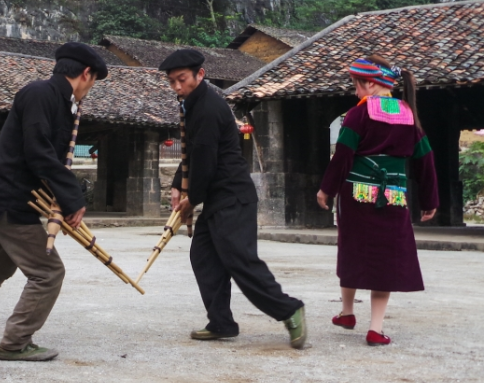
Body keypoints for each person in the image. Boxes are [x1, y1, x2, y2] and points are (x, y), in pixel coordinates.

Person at [0, 42, 107, 362]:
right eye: (93, 81)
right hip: (12, 199)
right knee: (48, 272)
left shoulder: (61, 102)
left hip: (6, 196)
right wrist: (71, 198)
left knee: (2, 260)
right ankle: (15, 343)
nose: (90, 88)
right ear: (86, 73)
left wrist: (62, 197)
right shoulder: (39, 94)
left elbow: (46, 156)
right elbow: (38, 152)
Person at [161, 49, 307, 349]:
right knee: (203, 256)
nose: (177, 87)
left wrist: (191, 200)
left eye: (182, 80)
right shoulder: (193, 105)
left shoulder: (209, 107)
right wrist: (178, 185)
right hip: (217, 198)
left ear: (200, 75)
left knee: (239, 260)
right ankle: (222, 323)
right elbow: (191, 152)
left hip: (233, 196)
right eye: (173, 82)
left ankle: (289, 309)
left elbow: (205, 160)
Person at [317, 55, 438, 346]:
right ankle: (376, 328)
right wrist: (429, 198)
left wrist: (326, 189)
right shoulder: (408, 114)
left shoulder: (358, 114)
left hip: (357, 196)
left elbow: (343, 155)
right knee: (385, 259)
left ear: (370, 84)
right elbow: (425, 157)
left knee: (352, 250)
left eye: (357, 86)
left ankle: (347, 312)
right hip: (394, 198)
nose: (355, 92)